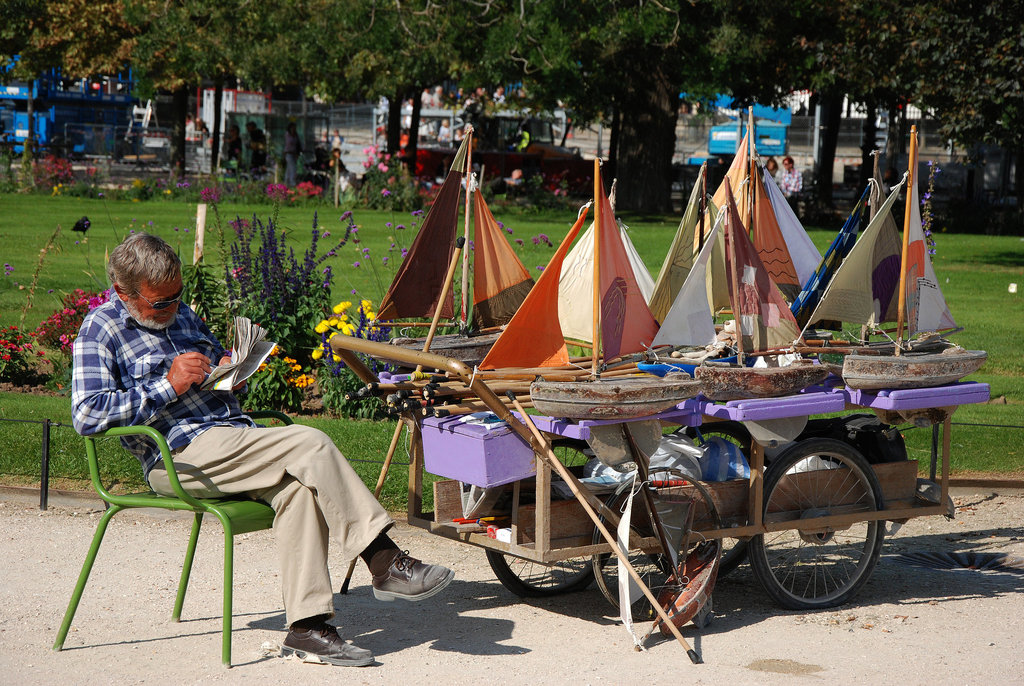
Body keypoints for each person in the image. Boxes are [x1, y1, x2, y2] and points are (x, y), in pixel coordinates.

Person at [71, 233, 454, 668]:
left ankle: (308, 628)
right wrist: (167, 385)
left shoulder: (185, 318)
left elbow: (216, 371)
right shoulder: (100, 329)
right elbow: (87, 415)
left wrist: (231, 372)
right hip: (176, 455)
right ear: (123, 291)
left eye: (177, 296)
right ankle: (385, 561)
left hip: (233, 440)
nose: (172, 309)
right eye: (160, 303)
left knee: (299, 490)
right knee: (309, 441)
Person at [284, 122, 301, 187]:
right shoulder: (287, 134)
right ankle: (292, 182)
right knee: (292, 168)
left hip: (294, 153)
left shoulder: (296, 135)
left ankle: (287, 181)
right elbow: (288, 143)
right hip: (288, 153)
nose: (294, 129)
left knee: (289, 168)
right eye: (293, 127)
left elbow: (297, 144)